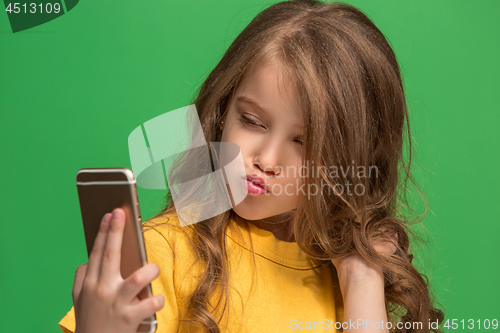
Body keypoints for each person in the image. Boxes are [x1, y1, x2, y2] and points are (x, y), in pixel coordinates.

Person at [59, 1, 445, 332]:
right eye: (253, 121)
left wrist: (361, 278)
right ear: (222, 110)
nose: (266, 159)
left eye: (304, 143)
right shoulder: (163, 255)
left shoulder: (349, 274)